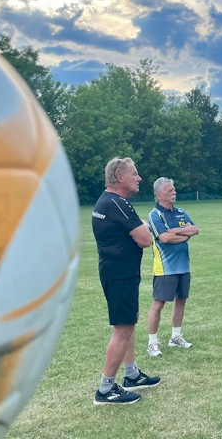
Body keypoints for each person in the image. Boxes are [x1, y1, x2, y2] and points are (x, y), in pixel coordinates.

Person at [91, 157, 161, 405]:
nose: (139, 178)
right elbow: (145, 239)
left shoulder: (108, 202)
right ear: (120, 177)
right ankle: (105, 389)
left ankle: (131, 375)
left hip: (117, 271)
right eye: (134, 174)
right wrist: (144, 227)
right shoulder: (117, 203)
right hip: (119, 273)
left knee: (128, 322)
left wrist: (141, 227)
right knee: (122, 328)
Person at [145, 177, 199, 357]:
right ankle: (152, 342)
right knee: (158, 303)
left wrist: (175, 231)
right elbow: (165, 238)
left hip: (183, 266)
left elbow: (195, 229)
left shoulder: (181, 212)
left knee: (181, 300)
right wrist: (184, 235)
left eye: (174, 189)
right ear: (159, 194)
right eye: (170, 190)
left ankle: (176, 337)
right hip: (165, 268)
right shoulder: (155, 215)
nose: (174, 192)